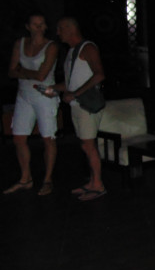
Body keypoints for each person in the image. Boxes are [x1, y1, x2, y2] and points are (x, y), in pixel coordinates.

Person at [47, 17, 107, 201]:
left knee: (89, 145)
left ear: (70, 29)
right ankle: (93, 181)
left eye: (60, 29)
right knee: (85, 145)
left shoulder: (87, 48)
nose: (58, 33)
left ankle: (98, 185)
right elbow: (71, 83)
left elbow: (99, 75)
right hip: (77, 105)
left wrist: (75, 94)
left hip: (86, 105)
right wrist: (52, 88)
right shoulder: (72, 52)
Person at [4, 12, 60, 196]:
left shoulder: (51, 46)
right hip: (24, 95)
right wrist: (28, 74)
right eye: (35, 24)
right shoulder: (20, 43)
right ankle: (25, 178)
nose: (39, 27)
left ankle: (48, 179)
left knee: (48, 138)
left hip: (44, 95)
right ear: (28, 26)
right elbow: (11, 71)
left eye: (41, 24)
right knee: (19, 138)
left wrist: (22, 71)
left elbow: (42, 76)